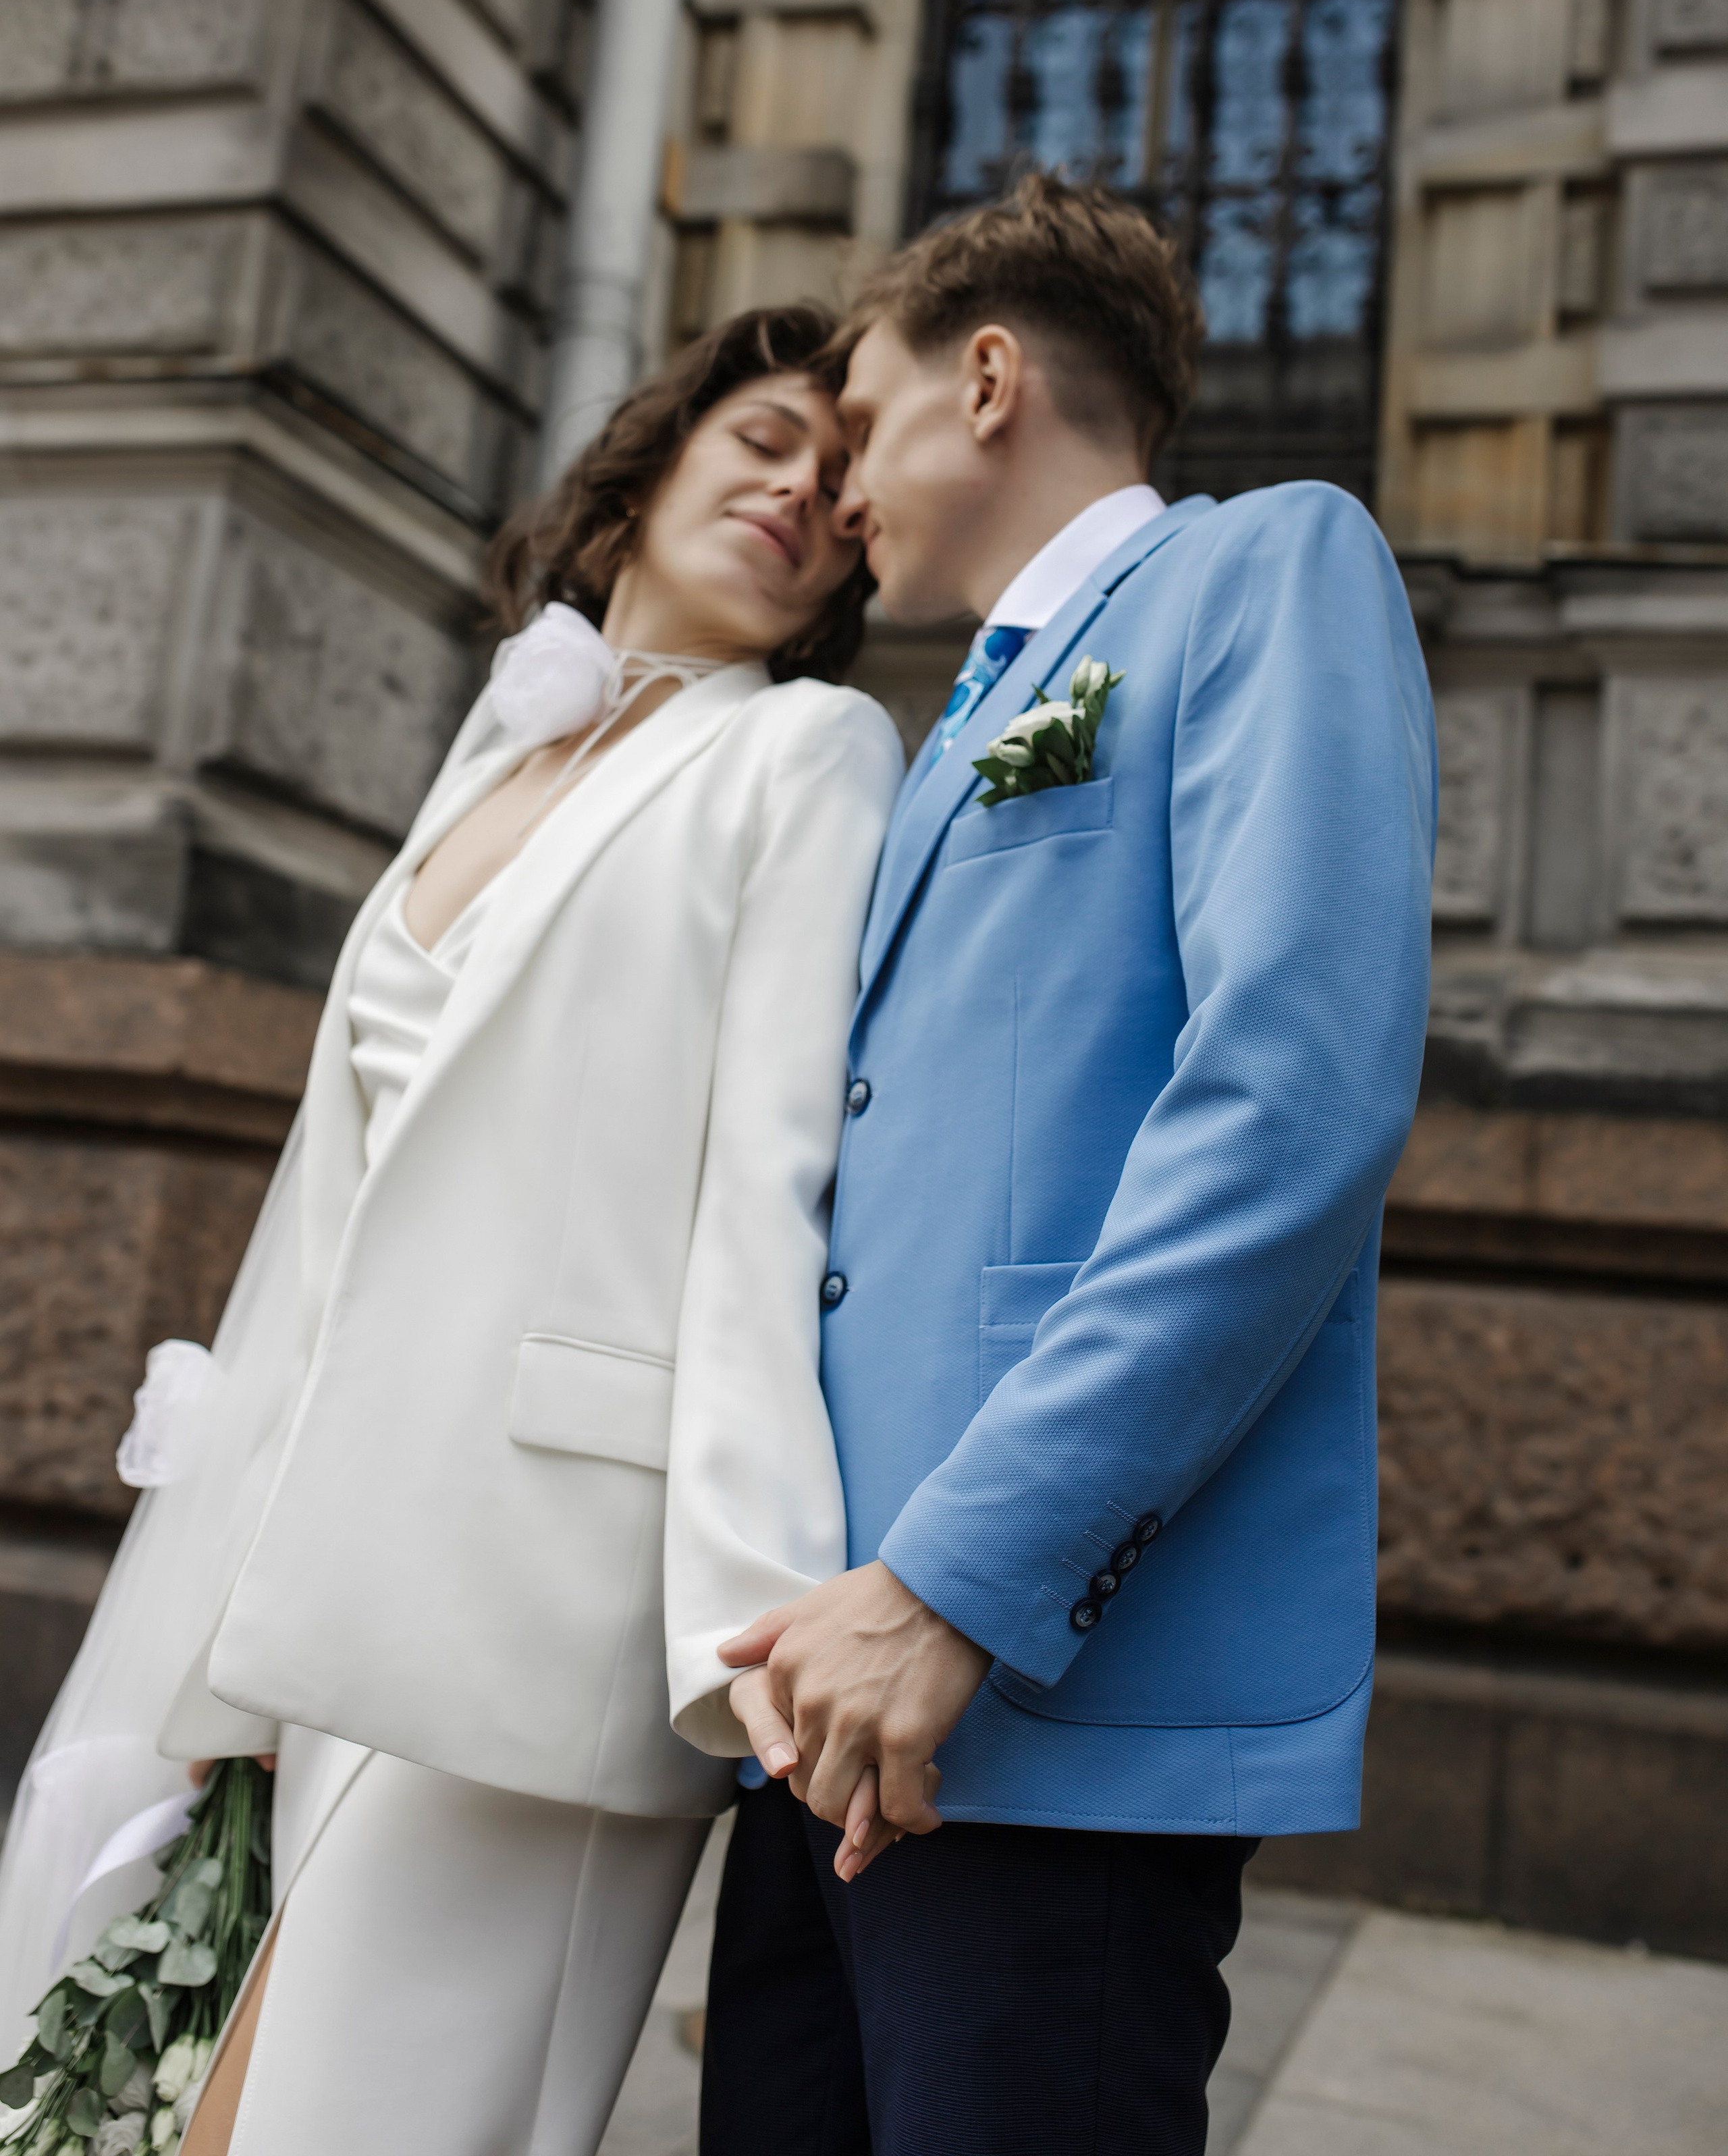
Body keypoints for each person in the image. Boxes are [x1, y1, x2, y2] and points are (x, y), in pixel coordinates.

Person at [0, 306, 905, 2156]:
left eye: (839, 480)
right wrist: (221, 1566)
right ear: (647, 466)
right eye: (760, 438)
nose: (799, 489)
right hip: (305, 1552)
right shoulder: (501, 749)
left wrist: (746, 1641)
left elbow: (769, 1189)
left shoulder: (804, 753)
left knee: (360, 2119)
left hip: (539, 1585)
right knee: (170, 2102)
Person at [708, 174, 1437, 2155]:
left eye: (861, 425)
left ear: (996, 376)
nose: (839, 494)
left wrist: (958, 1584)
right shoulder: (938, 732)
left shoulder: (1266, 569)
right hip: (825, 1715)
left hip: (1032, 1687)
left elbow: (1287, 1107)